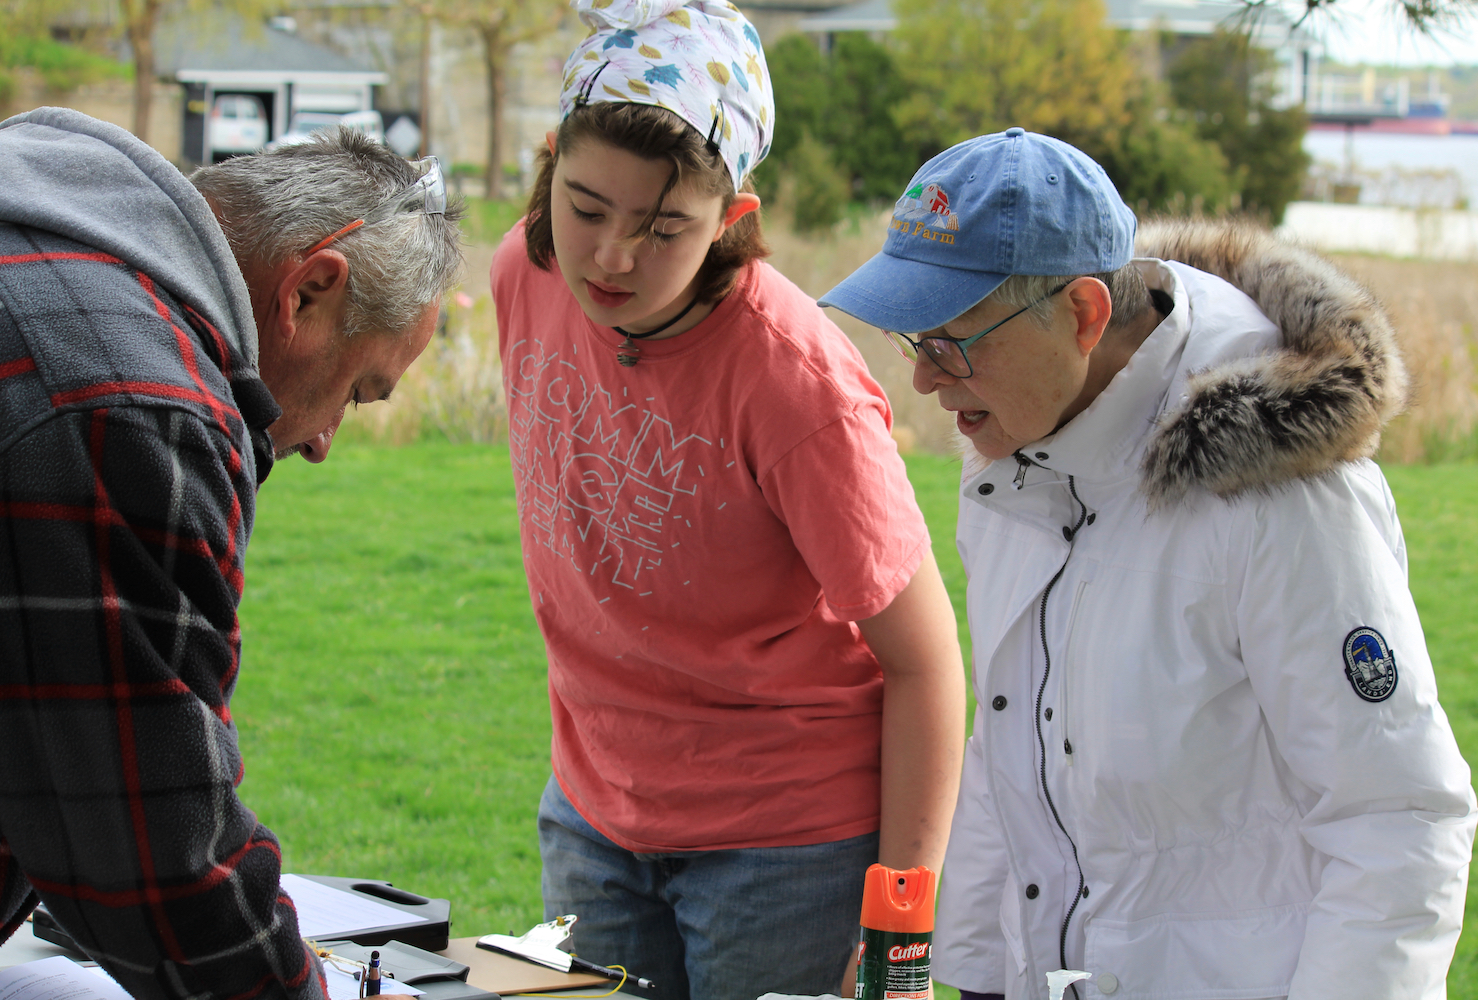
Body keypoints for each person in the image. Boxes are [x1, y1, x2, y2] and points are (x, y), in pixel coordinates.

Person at [819, 128, 1476, 1000]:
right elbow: (1005, 748)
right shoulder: (1016, 454)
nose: (927, 385)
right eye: (914, 342)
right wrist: (977, 974)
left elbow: (1398, 816)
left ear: (1085, 314)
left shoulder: (1284, 493)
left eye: (952, 342)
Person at [488, 3, 967, 998]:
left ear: (731, 223)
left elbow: (925, 663)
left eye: (664, 228)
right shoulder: (524, 274)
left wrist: (898, 931)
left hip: (787, 849)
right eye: (585, 208)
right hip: (592, 809)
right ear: (549, 167)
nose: (612, 258)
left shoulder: (797, 386)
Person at [0, 107, 463, 999]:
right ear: (309, 288)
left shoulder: (24, 234)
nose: (321, 444)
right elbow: (151, 856)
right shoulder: (130, 401)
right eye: (360, 390)